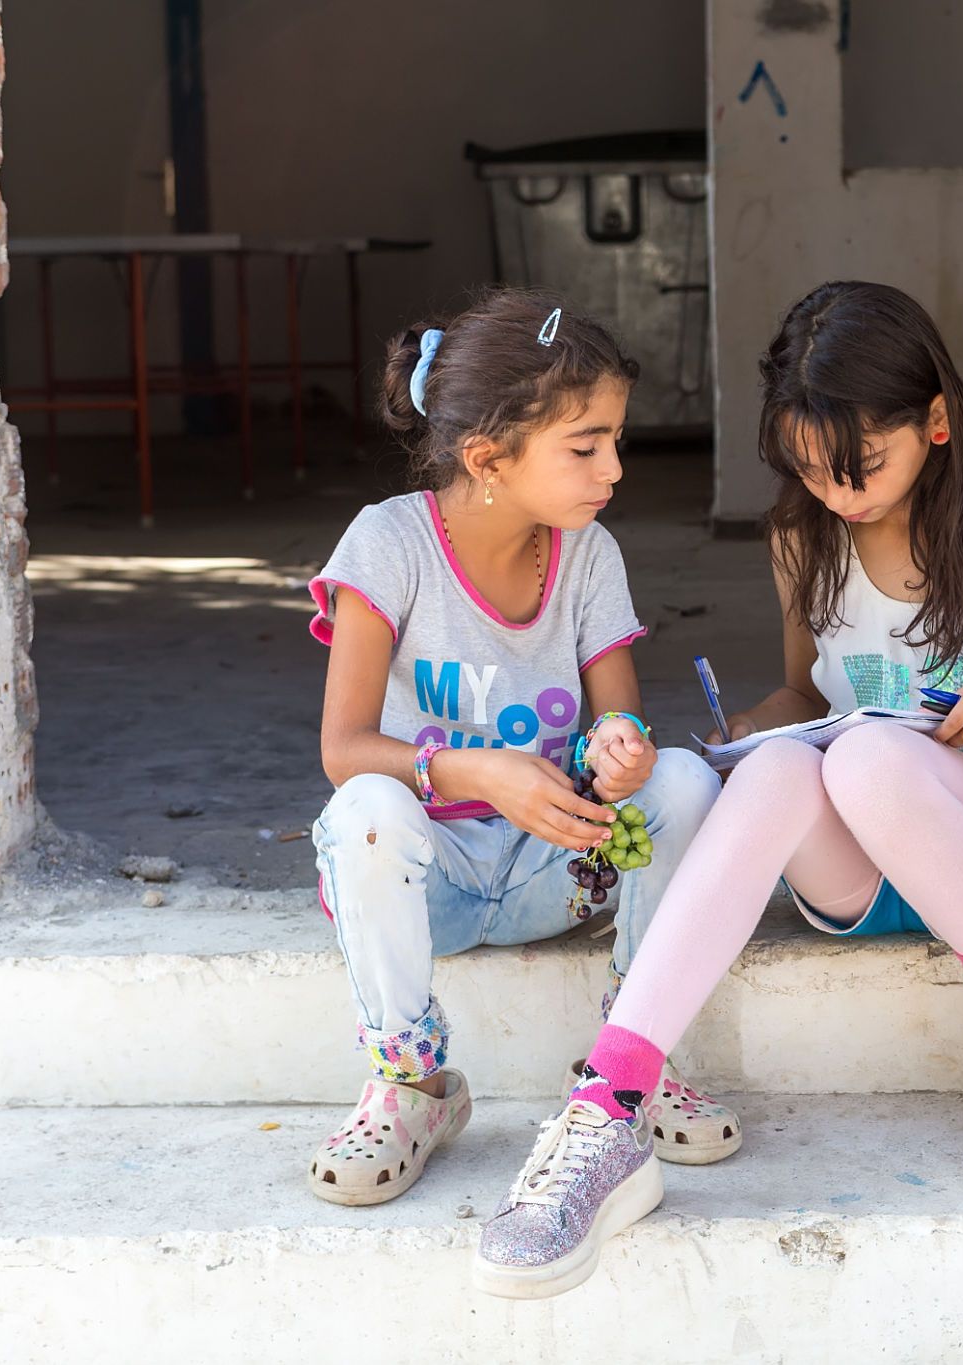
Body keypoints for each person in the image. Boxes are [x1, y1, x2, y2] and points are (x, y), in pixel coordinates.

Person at [473, 281, 963, 1299]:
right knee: (783, 763)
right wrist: (751, 730)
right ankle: (609, 1106)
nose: (839, 493)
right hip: (852, 880)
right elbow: (809, 692)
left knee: (864, 760)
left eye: (862, 466)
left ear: (935, 421)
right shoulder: (802, 535)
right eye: (812, 472)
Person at [304, 289, 728, 1207]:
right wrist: (478, 772)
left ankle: (631, 1057)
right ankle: (412, 1084)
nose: (612, 466)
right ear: (487, 456)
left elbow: (622, 724)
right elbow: (344, 747)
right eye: (585, 446)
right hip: (436, 882)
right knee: (364, 814)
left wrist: (621, 751)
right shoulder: (388, 544)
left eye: (616, 439)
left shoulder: (589, 553)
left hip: (557, 871)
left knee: (690, 784)